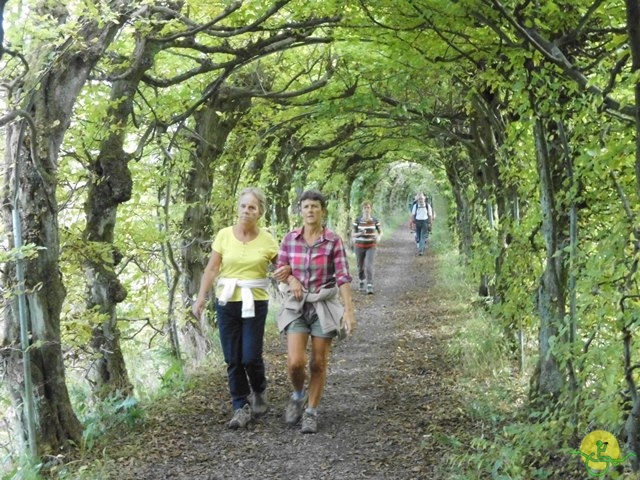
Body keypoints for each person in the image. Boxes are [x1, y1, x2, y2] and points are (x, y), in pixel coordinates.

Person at [192, 187, 289, 429]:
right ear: (238, 209)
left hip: (255, 301)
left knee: (250, 356)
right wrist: (201, 297)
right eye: (243, 206)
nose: (246, 211)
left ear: (260, 213)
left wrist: (289, 274)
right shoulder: (224, 235)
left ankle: (259, 389)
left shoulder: (267, 239)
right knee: (232, 358)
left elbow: (282, 267)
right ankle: (240, 406)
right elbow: (212, 269)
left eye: (252, 207)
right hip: (226, 302)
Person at [276, 189, 356, 434]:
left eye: (315, 206)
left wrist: (349, 311)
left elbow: (342, 276)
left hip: (323, 303)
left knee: (318, 362)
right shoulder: (290, 239)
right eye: (306, 206)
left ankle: (311, 411)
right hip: (297, 305)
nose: (310, 210)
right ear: (300, 211)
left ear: (323, 210)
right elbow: (280, 269)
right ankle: (298, 394)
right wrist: (291, 280)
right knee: (295, 362)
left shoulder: (333, 240)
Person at [352, 200, 382, 294]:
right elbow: (353, 234)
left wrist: (378, 237)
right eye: (365, 208)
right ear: (362, 209)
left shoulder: (375, 220)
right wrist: (360, 233)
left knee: (369, 265)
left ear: (371, 209)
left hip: (371, 245)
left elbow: (380, 231)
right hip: (359, 246)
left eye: (368, 208)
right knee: (360, 266)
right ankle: (361, 280)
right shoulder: (358, 220)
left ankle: (369, 285)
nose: (366, 210)